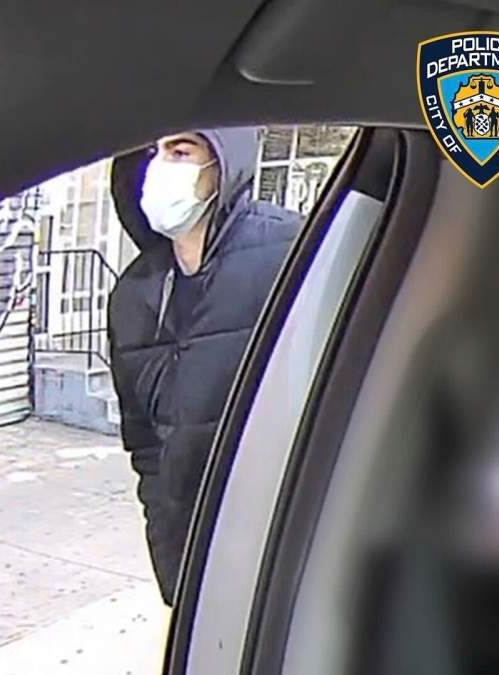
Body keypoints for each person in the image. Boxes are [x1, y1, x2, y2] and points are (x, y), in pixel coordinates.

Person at [107, 128, 300, 604]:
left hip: (283, 551)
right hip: (193, 563)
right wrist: (170, 563)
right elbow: (146, 448)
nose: (158, 168)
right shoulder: (132, 296)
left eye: (180, 151)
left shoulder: (289, 253)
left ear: (223, 164)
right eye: (150, 152)